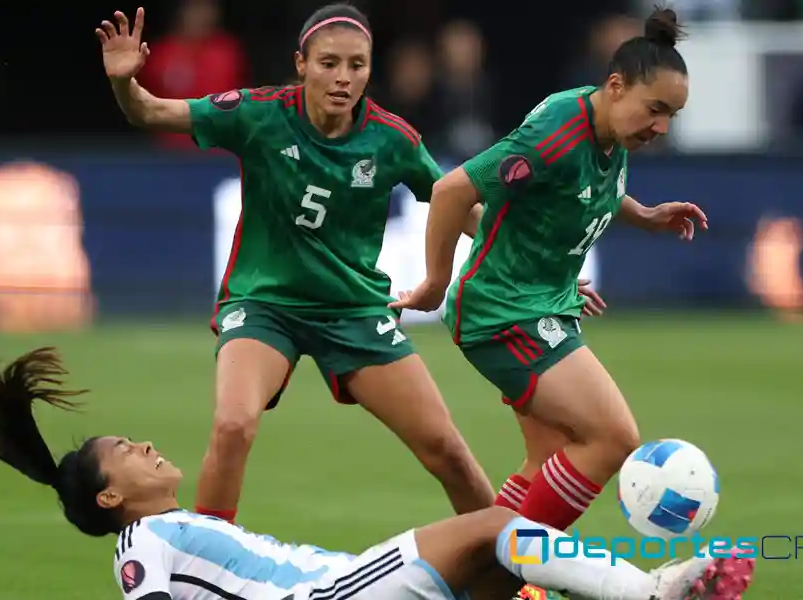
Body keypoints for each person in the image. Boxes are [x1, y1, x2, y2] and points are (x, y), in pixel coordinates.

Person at [94, 3, 505, 524]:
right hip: (265, 305)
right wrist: (125, 84)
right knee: (233, 426)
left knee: (446, 449)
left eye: (357, 65)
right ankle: (200, 570)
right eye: (329, 62)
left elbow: (459, 207)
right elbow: (149, 112)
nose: (343, 77)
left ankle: (509, 579)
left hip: (353, 309)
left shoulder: (392, 138)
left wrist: (531, 262)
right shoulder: (258, 114)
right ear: (301, 64)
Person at [0, 346, 756, 600]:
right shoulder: (144, 544)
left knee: (498, 581)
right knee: (497, 530)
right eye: (126, 452)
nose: (144, 447)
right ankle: (654, 592)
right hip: (335, 594)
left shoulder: (189, 530)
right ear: (111, 497)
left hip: (340, 583)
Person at [391, 6, 708, 544]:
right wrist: (434, 284)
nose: (661, 127)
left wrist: (643, 215)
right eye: (655, 109)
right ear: (614, 86)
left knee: (547, 463)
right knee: (612, 437)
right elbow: (451, 192)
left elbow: (585, 192)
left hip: (540, 301)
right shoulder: (556, 131)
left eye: (672, 116)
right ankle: (505, 570)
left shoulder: (611, 134)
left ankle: (480, 572)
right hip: (504, 312)